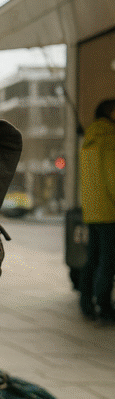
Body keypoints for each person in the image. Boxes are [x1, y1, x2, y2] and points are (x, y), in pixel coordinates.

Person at [78, 98, 115, 324]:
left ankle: (85, 303)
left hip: (92, 210)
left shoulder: (90, 138)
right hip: (109, 211)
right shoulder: (109, 137)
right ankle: (105, 307)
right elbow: (112, 176)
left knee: (92, 259)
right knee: (108, 262)